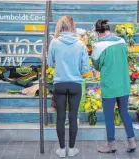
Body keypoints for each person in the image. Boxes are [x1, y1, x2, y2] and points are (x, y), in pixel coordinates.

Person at [47, 16, 90, 158]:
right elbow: (85, 69)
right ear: (73, 26)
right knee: (73, 116)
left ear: (60, 26)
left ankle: (61, 149)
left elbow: (50, 63)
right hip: (76, 84)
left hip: (59, 84)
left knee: (60, 117)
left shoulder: (54, 42)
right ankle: (71, 149)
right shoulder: (81, 44)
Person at [91, 20, 136, 153]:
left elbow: (96, 65)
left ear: (98, 32)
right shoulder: (122, 42)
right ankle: (132, 141)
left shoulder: (99, 46)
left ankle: (111, 145)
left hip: (109, 86)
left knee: (109, 116)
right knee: (124, 113)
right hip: (123, 84)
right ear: (108, 29)